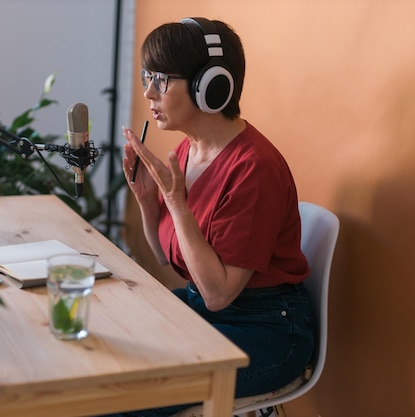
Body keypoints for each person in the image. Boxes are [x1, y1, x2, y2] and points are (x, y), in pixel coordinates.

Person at [101, 17, 315, 417]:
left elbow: (218, 293)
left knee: (120, 398)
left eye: (162, 80)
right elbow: (168, 257)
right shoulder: (188, 152)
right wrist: (150, 203)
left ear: (210, 86)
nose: (148, 92)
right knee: (105, 349)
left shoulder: (254, 168)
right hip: (206, 308)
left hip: (264, 331)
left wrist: (177, 204)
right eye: (148, 76)